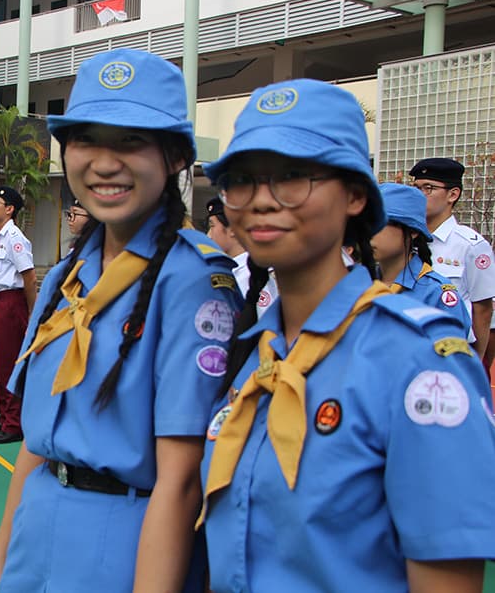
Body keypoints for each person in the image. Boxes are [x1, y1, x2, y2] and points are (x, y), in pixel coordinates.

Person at [199, 78, 495, 592]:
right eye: (243, 180)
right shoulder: (252, 353)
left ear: (356, 195)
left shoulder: (419, 362)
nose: (262, 201)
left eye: (293, 176)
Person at [0, 49, 242, 593]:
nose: (104, 163)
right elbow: (35, 445)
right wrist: (0, 572)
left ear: (175, 156)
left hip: (126, 541)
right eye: (86, 140)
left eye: (130, 141)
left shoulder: (192, 281)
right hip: (39, 529)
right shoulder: (65, 278)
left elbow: (180, 481)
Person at [411, 157, 495, 356]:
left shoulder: (471, 246)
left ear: (453, 194)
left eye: (428, 188)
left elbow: (482, 310)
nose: (420, 195)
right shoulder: (406, 238)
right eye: (416, 188)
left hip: (451, 349)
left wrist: (476, 361)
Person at [371, 183, 471, 336]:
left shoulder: (436, 293)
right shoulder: (362, 285)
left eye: (380, 224)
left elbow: (450, 356)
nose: (369, 234)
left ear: (412, 231)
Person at [0, 185, 36, 444]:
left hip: (10, 303)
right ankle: (5, 416)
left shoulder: (15, 237)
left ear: (9, 209)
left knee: (9, 363)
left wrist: (31, 312)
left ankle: (15, 424)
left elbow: (29, 276)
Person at [206, 195, 278, 318]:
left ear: (233, 229)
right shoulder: (228, 271)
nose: (209, 236)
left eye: (212, 226)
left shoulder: (253, 276)